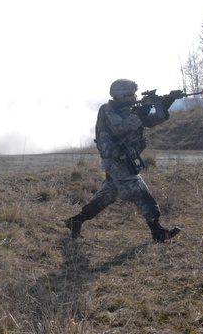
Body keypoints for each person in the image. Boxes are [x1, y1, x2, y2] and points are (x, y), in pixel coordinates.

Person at [65, 78, 182, 243]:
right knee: (141, 194)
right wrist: (139, 113)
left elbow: (149, 121)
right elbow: (120, 129)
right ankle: (158, 232)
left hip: (122, 159)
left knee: (107, 195)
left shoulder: (129, 109)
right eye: (131, 94)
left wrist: (165, 104)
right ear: (120, 96)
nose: (134, 97)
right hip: (117, 160)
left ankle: (76, 221)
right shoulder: (108, 110)